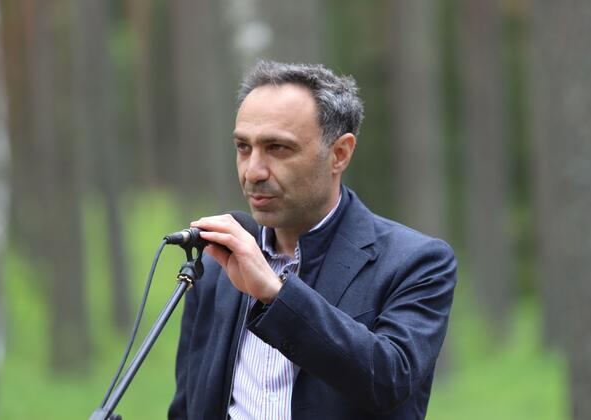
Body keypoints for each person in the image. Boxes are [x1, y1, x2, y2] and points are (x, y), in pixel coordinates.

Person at [168, 61, 457, 420]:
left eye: (278, 148)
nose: (253, 171)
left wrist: (275, 295)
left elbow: (390, 380)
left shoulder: (416, 261)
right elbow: (187, 405)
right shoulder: (216, 266)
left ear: (340, 154)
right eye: (243, 147)